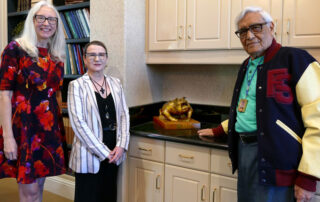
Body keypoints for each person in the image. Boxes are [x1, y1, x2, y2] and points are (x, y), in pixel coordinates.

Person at [198, 6, 320, 202]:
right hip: (244, 153)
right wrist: (221, 130)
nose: (249, 35)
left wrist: (308, 176)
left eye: (256, 27)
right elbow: (250, 109)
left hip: (278, 160)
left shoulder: (295, 59)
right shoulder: (247, 64)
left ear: (271, 27)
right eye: (242, 31)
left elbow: (317, 118)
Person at [0, 1, 66, 202]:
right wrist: (8, 138)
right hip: (24, 129)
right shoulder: (15, 49)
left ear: (56, 24)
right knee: (29, 193)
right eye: (42, 18)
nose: (47, 23)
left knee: (39, 188)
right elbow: (4, 94)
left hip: (48, 130)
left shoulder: (56, 56)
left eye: (51, 19)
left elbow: (54, 94)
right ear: (32, 21)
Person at [67, 40, 130, 202]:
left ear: (106, 58)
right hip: (89, 152)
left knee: (108, 195)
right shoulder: (76, 85)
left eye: (101, 55)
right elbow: (78, 123)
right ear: (85, 59)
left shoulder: (116, 83)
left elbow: (124, 115)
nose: (97, 58)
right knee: (88, 196)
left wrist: (122, 145)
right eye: (92, 55)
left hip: (114, 150)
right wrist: (103, 152)